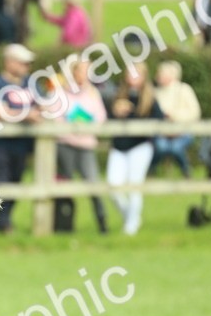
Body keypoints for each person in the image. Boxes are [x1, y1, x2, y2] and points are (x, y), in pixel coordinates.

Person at [0, 43, 39, 234]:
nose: (26, 67)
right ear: (9, 62)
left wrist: (19, 113)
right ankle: (3, 224)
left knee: (17, 182)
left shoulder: (30, 82)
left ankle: (4, 221)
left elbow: (43, 107)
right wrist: (26, 114)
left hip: (22, 146)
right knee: (1, 183)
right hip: (0, 146)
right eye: (23, 63)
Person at [106, 63, 162, 235]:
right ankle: (131, 217)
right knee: (113, 187)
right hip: (119, 147)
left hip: (140, 146)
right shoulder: (117, 95)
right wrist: (116, 113)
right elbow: (106, 120)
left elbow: (158, 120)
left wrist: (133, 114)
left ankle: (131, 229)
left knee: (134, 186)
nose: (133, 77)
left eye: (137, 74)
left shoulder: (150, 98)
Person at [54, 58, 108, 233]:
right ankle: (64, 225)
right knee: (65, 186)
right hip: (65, 145)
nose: (84, 75)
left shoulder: (93, 92)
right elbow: (55, 117)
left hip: (86, 145)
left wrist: (85, 127)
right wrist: (73, 129)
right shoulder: (60, 93)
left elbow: (100, 117)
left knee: (93, 184)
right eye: (81, 70)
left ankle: (102, 223)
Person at [150, 61, 201, 178]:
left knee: (175, 148)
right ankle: (151, 171)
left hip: (183, 131)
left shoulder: (184, 90)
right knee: (161, 146)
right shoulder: (155, 92)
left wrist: (174, 116)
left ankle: (186, 171)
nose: (158, 76)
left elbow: (194, 113)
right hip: (161, 133)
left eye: (161, 73)